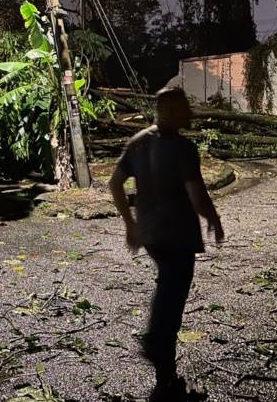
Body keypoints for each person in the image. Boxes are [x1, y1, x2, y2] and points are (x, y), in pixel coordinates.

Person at [109, 86, 225, 401]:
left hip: (151, 234)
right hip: (178, 234)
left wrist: (130, 224)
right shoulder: (183, 148)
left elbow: (114, 183)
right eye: (183, 107)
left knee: (169, 289)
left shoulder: (139, 142)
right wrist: (214, 220)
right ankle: (157, 347)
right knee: (171, 303)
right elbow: (197, 194)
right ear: (169, 111)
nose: (189, 112)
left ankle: (165, 378)